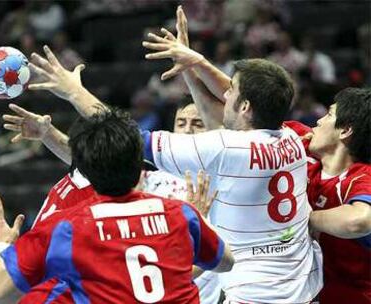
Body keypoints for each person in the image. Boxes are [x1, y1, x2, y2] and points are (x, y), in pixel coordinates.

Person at [24, 8, 322, 303]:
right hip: (304, 288)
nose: (225, 94)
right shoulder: (291, 138)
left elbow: (127, 137)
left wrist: (74, 93)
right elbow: (243, 102)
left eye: (231, 90)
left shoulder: (223, 147)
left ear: (245, 107)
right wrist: (195, 64)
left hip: (256, 295)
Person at [0, 109, 234, 303]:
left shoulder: (66, 228)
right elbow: (226, 262)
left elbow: (0, 293)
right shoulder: (181, 213)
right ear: (140, 168)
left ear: (85, 171)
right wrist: (199, 224)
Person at [307, 88, 371, 304]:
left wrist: (301, 217)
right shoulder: (303, 154)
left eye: (329, 115)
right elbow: (254, 108)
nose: (318, 121)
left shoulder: (362, 178)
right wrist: (197, 67)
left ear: (345, 130)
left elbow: (359, 221)